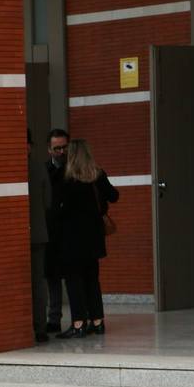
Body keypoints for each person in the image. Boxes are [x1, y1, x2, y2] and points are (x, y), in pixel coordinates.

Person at [53, 139, 118, 338]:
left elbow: (58, 208)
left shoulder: (65, 178)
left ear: (70, 155)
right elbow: (114, 195)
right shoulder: (97, 174)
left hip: (72, 238)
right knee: (92, 279)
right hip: (94, 236)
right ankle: (98, 322)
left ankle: (79, 323)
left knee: (74, 280)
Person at [43, 128, 70, 334]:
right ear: (49, 150)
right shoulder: (44, 170)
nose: (61, 152)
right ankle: (54, 318)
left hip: (70, 229)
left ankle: (82, 316)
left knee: (73, 275)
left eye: (64, 147)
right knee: (52, 276)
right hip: (51, 229)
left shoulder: (75, 169)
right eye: (56, 148)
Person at [26, 129, 52, 344]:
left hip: (20, 235)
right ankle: (40, 327)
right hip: (38, 233)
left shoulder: (13, 167)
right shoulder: (40, 167)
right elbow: (48, 202)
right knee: (38, 283)